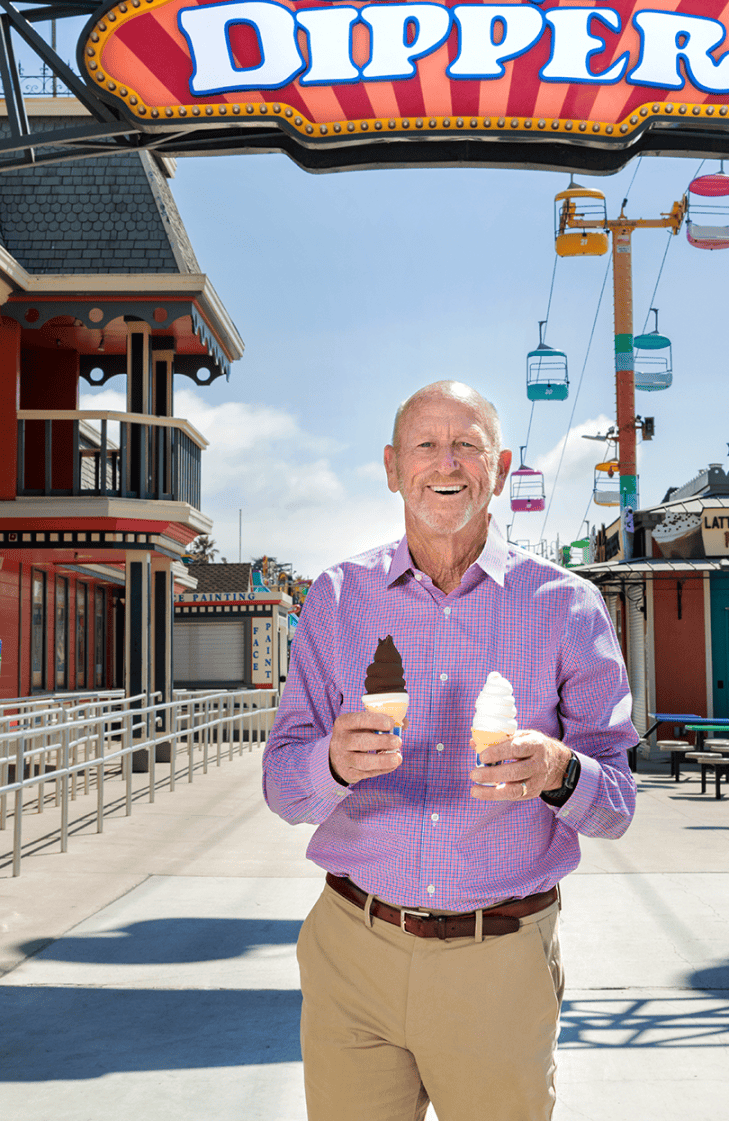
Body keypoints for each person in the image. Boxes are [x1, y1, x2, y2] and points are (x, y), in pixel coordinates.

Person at [262, 380, 638, 1121]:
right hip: (352, 951)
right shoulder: (337, 599)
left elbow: (618, 804)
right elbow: (281, 784)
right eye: (426, 444)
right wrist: (331, 765)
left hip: (498, 958)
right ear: (392, 465)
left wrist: (563, 772)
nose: (447, 461)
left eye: (467, 444)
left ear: (497, 467)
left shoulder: (564, 606)